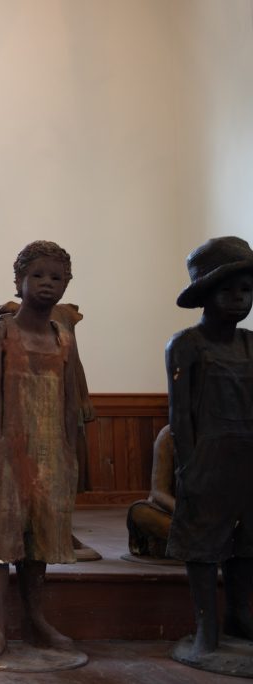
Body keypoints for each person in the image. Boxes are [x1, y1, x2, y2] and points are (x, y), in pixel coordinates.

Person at [0, 241, 82, 659]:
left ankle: (36, 620)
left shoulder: (64, 336)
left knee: (39, 540)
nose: (46, 284)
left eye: (56, 277)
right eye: (37, 275)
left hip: (51, 450)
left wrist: (70, 451)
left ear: (67, 284)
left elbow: (71, 399)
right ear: (18, 281)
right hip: (6, 447)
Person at [166, 236, 253, 662]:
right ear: (205, 294)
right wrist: (189, 465)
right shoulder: (186, 345)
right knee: (203, 543)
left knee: (248, 544)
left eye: (246, 290)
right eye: (227, 289)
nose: (238, 299)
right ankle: (207, 627)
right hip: (208, 458)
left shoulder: (250, 344)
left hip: (249, 458)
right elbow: (179, 415)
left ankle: (240, 615)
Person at [126, 425, 174, 559]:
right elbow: (159, 492)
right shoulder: (168, 435)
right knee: (140, 512)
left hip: (211, 518)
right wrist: (184, 512)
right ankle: (206, 544)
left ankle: (195, 543)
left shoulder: (225, 435)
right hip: (177, 515)